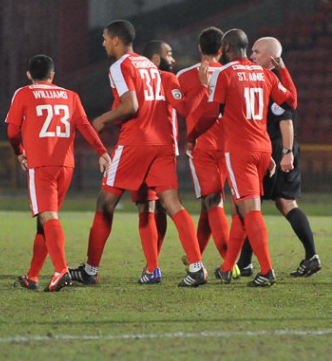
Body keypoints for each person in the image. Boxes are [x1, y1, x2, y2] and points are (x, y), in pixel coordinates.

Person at [69, 20, 207, 288]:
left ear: (117, 40)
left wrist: (102, 120)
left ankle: (90, 270)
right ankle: (195, 267)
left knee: (105, 203)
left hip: (136, 143)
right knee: (168, 204)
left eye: (105, 38)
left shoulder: (121, 65)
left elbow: (131, 105)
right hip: (163, 143)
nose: (104, 43)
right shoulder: (151, 67)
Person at [190, 29, 297, 287]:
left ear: (226, 48)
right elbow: (291, 101)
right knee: (239, 209)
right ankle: (228, 268)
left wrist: (192, 135)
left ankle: (267, 270)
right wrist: (282, 70)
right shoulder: (264, 73)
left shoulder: (226, 74)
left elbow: (210, 113)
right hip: (263, 149)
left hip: (240, 151)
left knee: (250, 210)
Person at [6, 54, 111, 292]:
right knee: (45, 222)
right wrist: (102, 151)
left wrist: (19, 151)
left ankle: (60, 270)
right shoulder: (70, 95)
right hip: (66, 165)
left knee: (48, 217)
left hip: (41, 164)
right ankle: (32, 276)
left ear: (29, 74)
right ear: (53, 75)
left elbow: (12, 131)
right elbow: (84, 124)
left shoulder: (23, 93)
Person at [236, 37, 321, 277]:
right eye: (251, 51)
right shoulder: (261, 80)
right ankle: (310, 257)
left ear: (272, 57)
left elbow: (286, 120)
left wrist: (285, 152)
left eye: (257, 52)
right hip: (272, 148)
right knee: (282, 204)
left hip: (275, 149)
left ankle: (245, 263)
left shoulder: (274, 82)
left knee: (252, 204)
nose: (252, 55)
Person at [176, 27, 235, 275]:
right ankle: (196, 254)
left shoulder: (184, 75)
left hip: (201, 146)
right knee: (209, 203)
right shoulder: (232, 73)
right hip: (230, 145)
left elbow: (183, 109)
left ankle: (229, 262)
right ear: (222, 50)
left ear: (199, 48)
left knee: (212, 200)